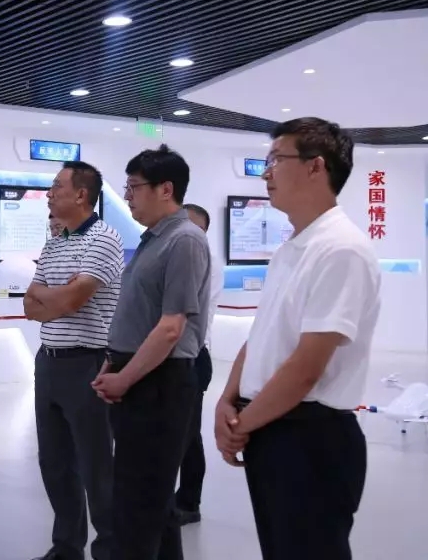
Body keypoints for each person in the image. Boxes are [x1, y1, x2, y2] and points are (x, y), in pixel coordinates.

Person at [215, 118, 380, 560]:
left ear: (315, 167)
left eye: (276, 160)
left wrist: (240, 425)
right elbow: (263, 335)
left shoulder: (341, 249)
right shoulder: (291, 248)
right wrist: (227, 401)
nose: (266, 173)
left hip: (310, 438)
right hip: (272, 427)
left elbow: (307, 368)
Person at [91, 144, 210, 560]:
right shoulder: (153, 240)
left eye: (134, 187)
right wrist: (113, 362)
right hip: (136, 375)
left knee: (139, 504)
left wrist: (125, 378)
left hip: (159, 381)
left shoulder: (185, 240)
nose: (128, 196)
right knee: (149, 500)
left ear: (166, 189)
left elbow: (171, 327)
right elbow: (139, 313)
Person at [24, 162, 123, 560]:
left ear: (81, 194)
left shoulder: (103, 239)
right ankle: (67, 546)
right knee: (54, 462)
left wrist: (55, 298)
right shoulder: (56, 242)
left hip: (89, 364)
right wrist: (57, 298)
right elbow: (29, 304)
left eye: (56, 186)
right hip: (49, 362)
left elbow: (74, 298)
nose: (49, 194)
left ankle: (111, 549)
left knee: (97, 467)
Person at [173, 204, 224, 526]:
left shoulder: (209, 264)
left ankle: (189, 502)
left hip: (192, 357)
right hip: (172, 357)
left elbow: (186, 313)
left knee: (188, 434)